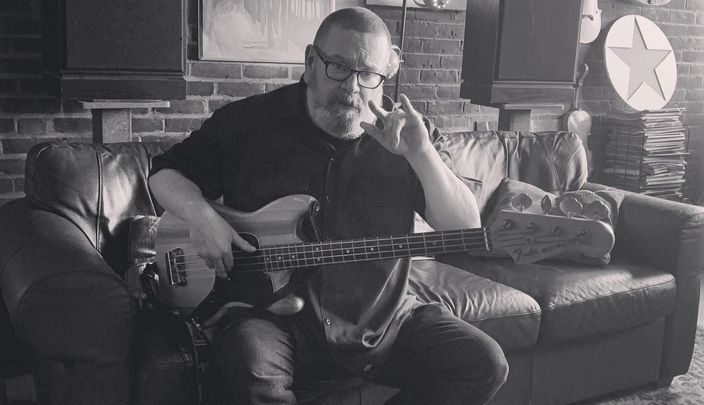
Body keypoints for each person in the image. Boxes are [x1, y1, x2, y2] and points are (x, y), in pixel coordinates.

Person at [149, 7, 508, 405]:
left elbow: (464, 228)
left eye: (368, 74)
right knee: (250, 372)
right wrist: (201, 216)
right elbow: (164, 173)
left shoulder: (411, 137)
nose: (352, 87)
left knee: (483, 363)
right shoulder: (246, 123)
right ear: (310, 62)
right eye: (338, 67)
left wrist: (421, 155)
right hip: (271, 318)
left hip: (378, 319)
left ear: (388, 70)